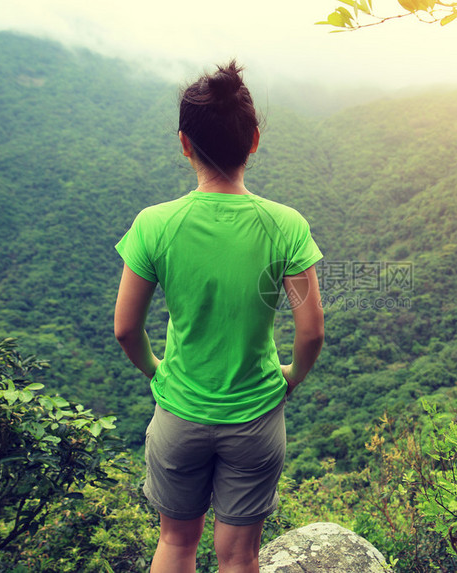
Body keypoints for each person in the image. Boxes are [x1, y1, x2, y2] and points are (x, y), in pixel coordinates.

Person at [113, 60, 324, 573]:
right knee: (238, 557)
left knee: (176, 543)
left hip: (179, 412)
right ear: (254, 140)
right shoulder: (286, 227)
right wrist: (291, 378)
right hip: (255, 414)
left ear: (184, 143)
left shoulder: (155, 225)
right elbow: (311, 330)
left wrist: (157, 371)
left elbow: (125, 328)